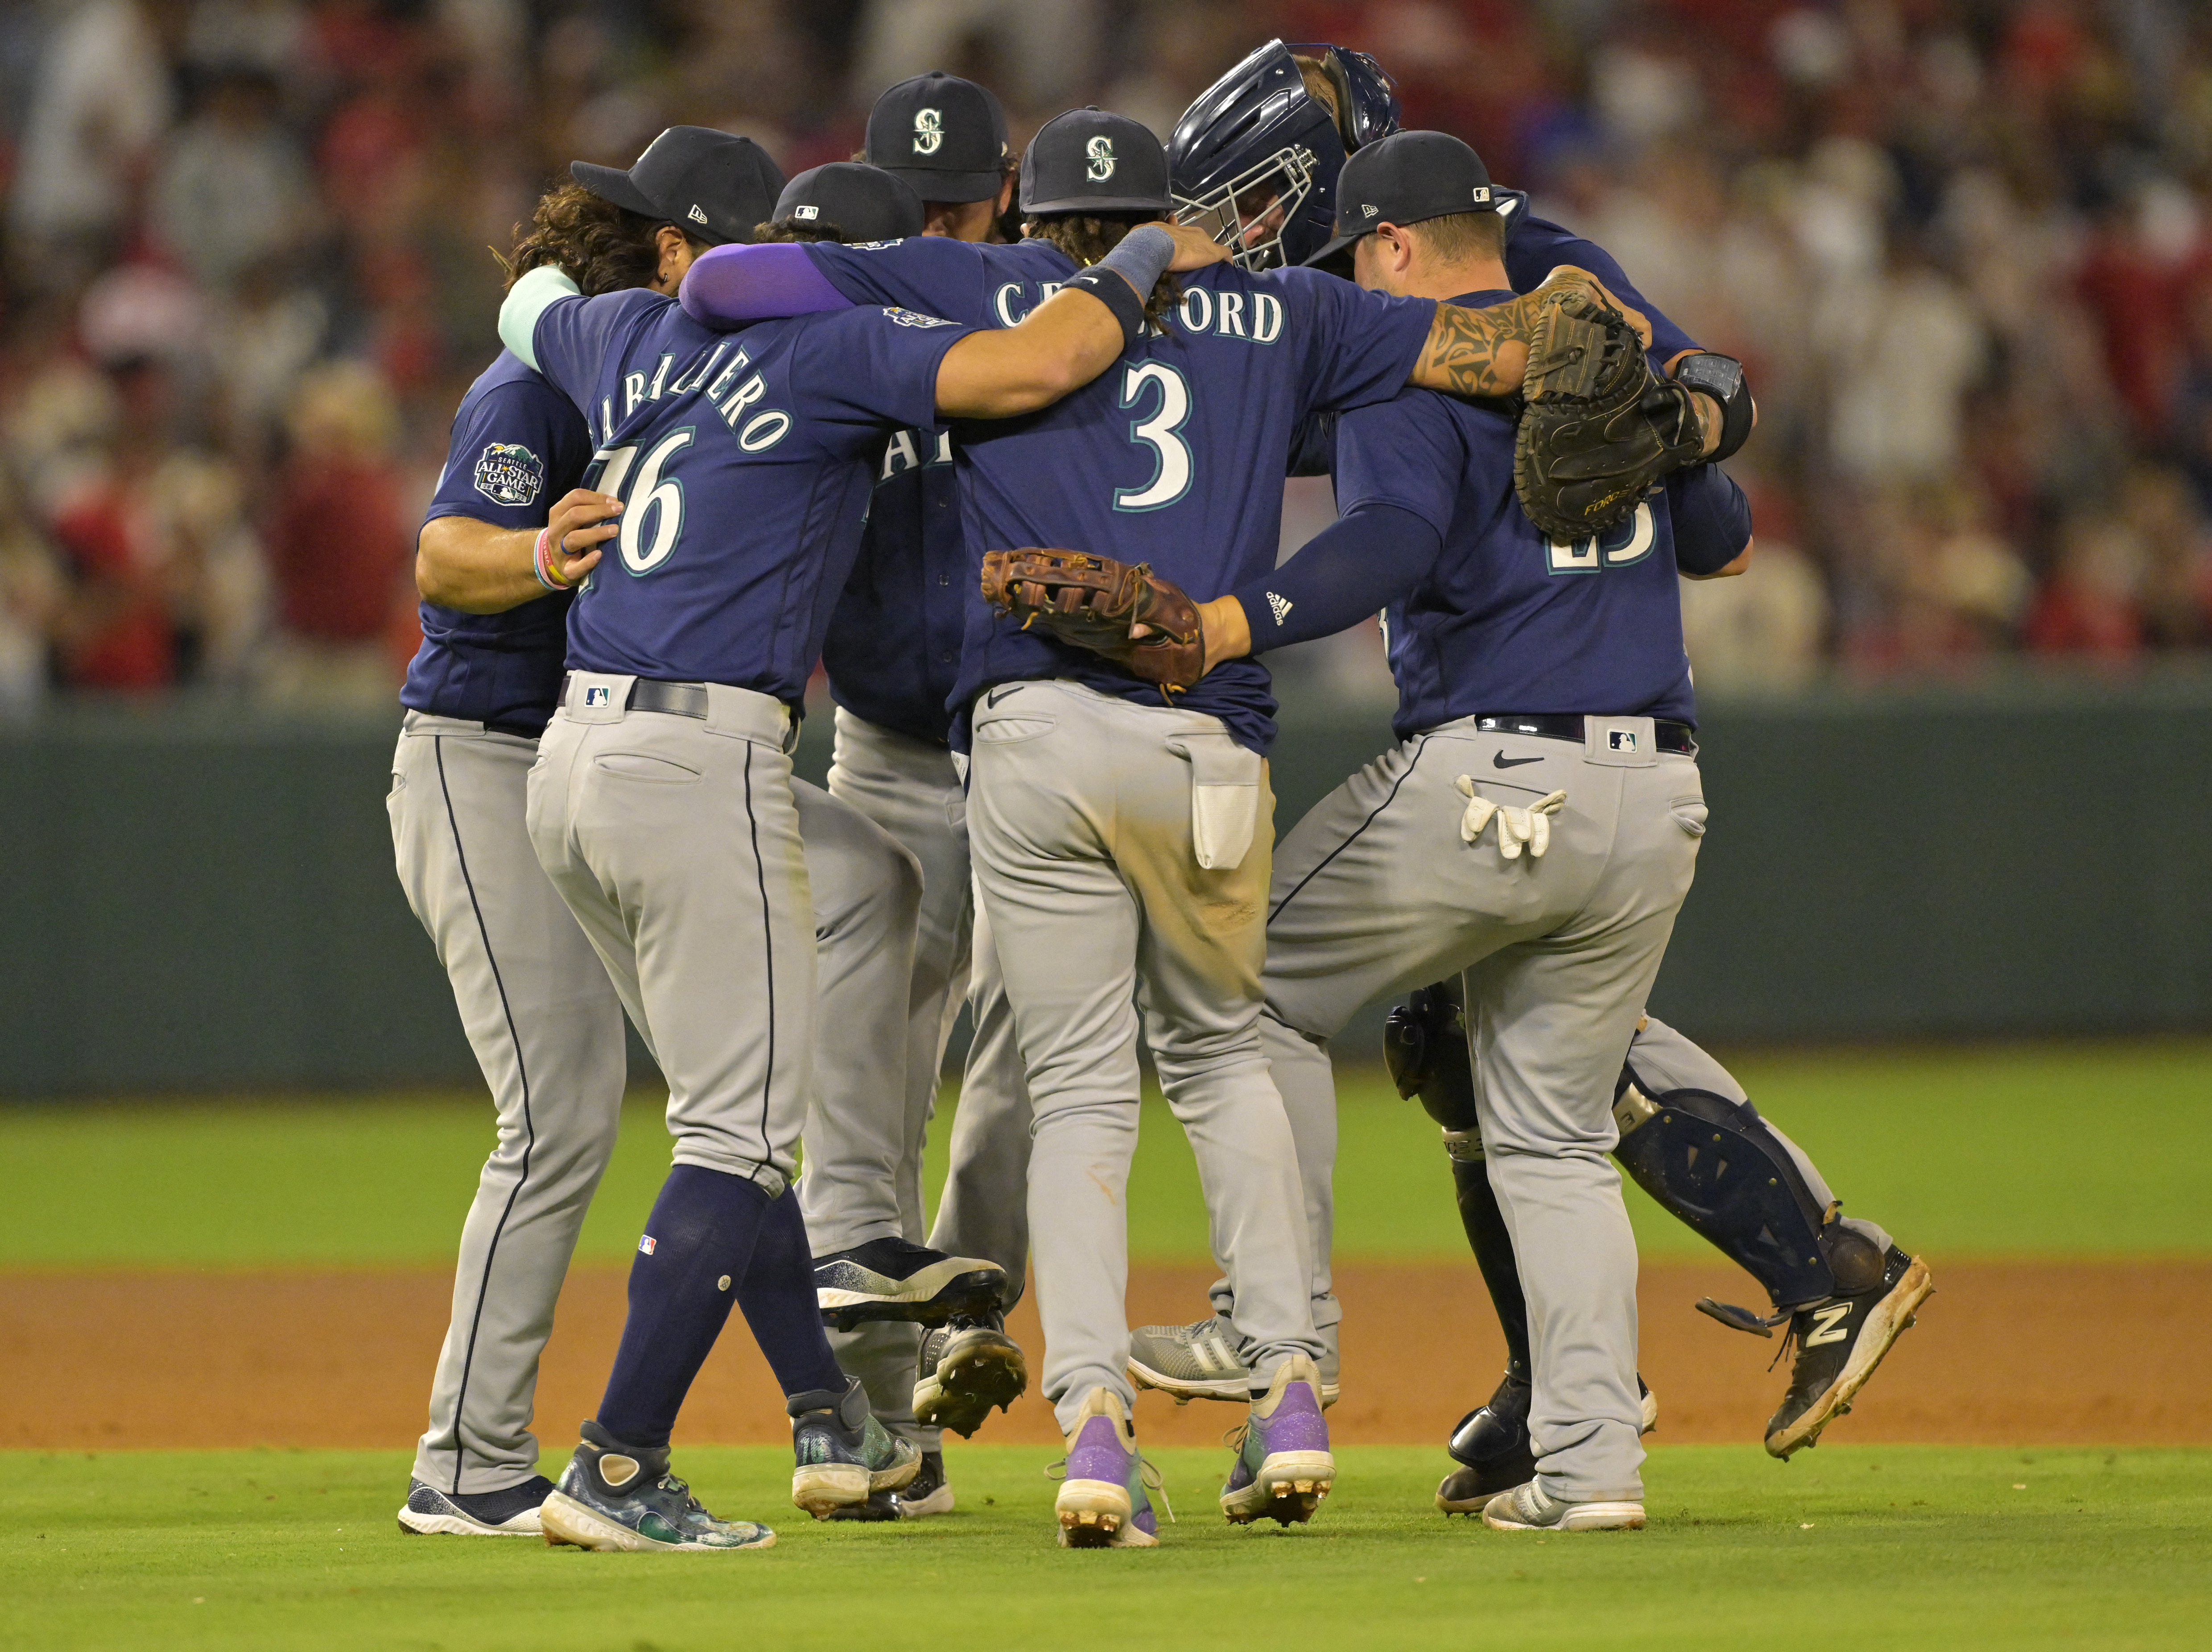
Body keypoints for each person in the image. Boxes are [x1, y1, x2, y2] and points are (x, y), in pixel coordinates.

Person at [678, 107, 1655, 1548]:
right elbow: (1520, 354)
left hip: (1037, 739)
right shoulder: (1296, 309)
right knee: (1225, 1058)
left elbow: (726, 286)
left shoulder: (988, 287)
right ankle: (1293, 1384)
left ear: (1037, 217)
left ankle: (1090, 1431)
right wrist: (1641, 349)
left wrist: (1071, 270)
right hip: (1209, 738)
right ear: (1169, 207)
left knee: (1077, 1091)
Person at [1135, 41, 1931, 1490]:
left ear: (1380, 234)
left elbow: (1398, 543)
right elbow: (1724, 534)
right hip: (1655, 778)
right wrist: (1668, 435)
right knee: (1525, 1108)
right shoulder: (1571, 315)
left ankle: (1278, 1335)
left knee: (1235, 976)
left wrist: (1237, 617)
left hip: (1490, 773)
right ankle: (1581, 1456)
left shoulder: (1400, 345)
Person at [492, 133, 1159, 1553]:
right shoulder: (833, 354)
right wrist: (1152, 256)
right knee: (734, 1139)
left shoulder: (625, 332)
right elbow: (1039, 369)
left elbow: (526, 297)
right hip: (698, 758)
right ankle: (618, 1466)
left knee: (816, 976)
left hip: (571, 762)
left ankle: (829, 1413)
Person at [392, 126, 1000, 1544]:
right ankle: (470, 1460)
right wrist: (542, 550)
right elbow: (439, 556)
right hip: (491, 748)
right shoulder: (552, 374)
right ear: (670, 252)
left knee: (855, 898)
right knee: (571, 1118)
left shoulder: (661, 363)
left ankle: (826, 1399)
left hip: (605, 753)